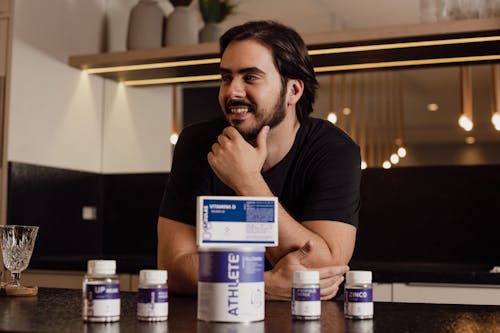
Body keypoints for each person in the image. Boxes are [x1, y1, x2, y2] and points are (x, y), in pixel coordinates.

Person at [157, 20, 361, 301]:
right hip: (216, 318)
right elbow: (172, 267)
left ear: (293, 91)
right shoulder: (197, 143)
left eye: (250, 77)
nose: (232, 91)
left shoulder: (334, 150)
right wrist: (263, 284)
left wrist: (248, 181)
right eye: (226, 77)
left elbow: (321, 270)